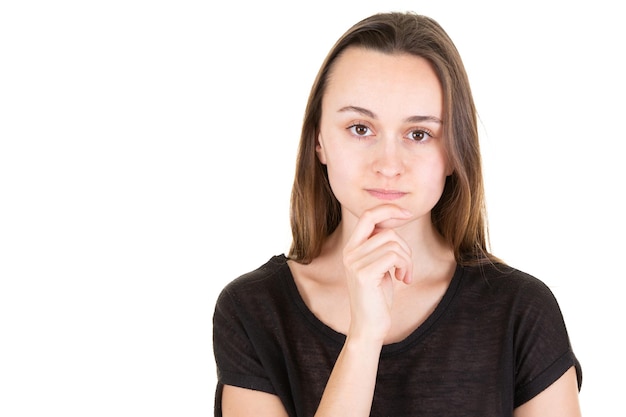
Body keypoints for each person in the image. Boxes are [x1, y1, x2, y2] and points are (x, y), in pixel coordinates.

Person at [212, 11, 582, 417]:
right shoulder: (253, 311)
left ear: (454, 153)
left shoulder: (522, 312)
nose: (389, 164)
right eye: (360, 128)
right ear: (319, 140)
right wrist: (364, 338)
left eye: (419, 134)